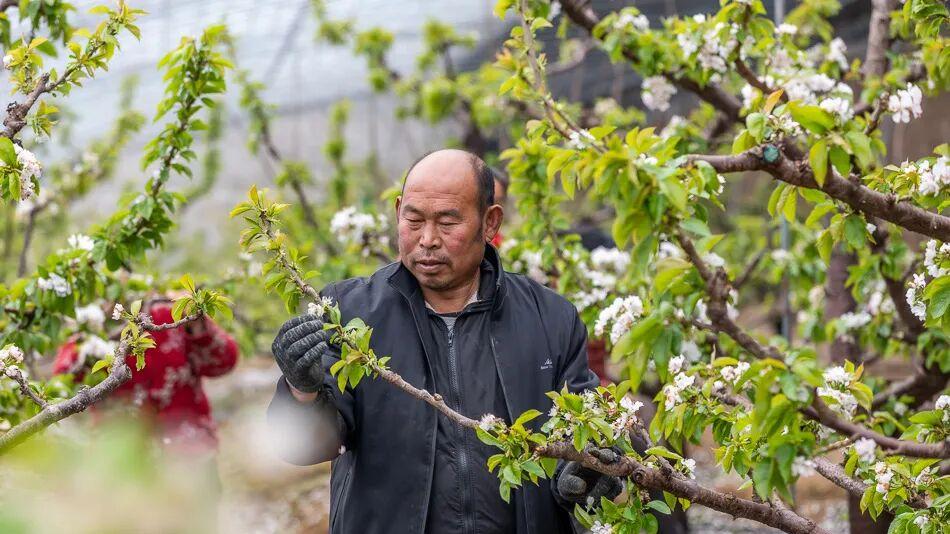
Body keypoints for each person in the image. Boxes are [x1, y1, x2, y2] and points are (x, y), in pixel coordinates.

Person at [267, 148, 622, 533]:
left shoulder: (549, 318)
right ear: (398, 211)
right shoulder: (348, 314)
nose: (428, 240)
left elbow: (585, 429)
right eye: (414, 219)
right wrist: (301, 393)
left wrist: (588, 469)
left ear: (490, 222)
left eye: (448, 222)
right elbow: (304, 447)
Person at [53, 298, 239, 456]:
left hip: (190, 449)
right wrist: (88, 346)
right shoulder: (91, 329)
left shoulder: (169, 314)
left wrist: (195, 323)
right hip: (124, 457)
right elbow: (65, 383)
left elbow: (225, 361)